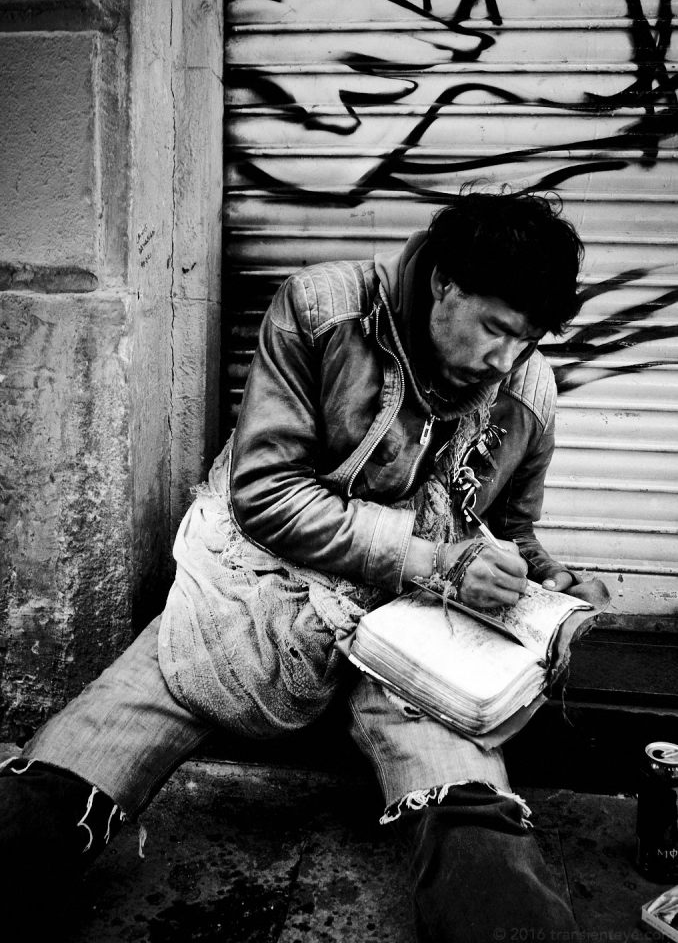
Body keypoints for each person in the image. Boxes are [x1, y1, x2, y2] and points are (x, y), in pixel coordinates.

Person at [1, 189, 608, 941]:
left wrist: (548, 583)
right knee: (82, 765)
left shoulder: (527, 386)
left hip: (420, 628)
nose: (504, 361)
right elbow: (265, 494)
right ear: (445, 283)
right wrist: (435, 561)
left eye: (527, 341)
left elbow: (510, 529)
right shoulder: (323, 310)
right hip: (254, 584)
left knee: (468, 806)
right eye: (495, 330)